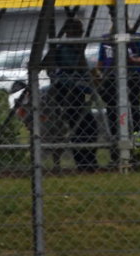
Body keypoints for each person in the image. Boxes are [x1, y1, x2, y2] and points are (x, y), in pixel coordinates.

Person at [44, 15, 99, 171]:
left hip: (76, 92)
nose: (79, 35)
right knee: (81, 126)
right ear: (68, 32)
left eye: (80, 32)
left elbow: (82, 74)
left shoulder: (76, 49)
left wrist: (89, 82)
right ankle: (84, 163)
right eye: (76, 31)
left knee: (88, 126)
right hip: (67, 93)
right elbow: (75, 71)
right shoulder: (65, 49)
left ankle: (88, 161)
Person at [95, 23, 140, 147]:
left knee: (133, 108)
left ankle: (134, 137)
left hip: (132, 76)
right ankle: (115, 140)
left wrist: (131, 60)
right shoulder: (107, 39)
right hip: (111, 78)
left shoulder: (135, 38)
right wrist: (98, 75)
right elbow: (101, 62)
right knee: (112, 109)